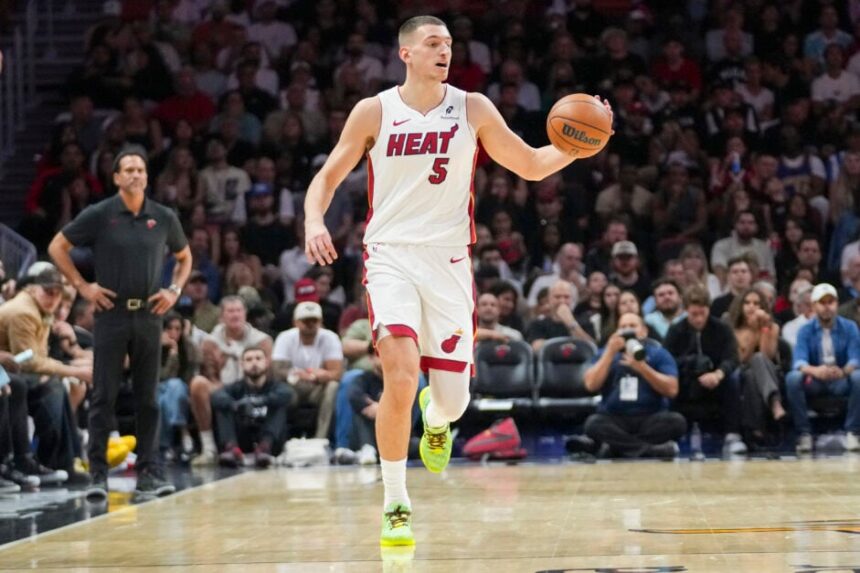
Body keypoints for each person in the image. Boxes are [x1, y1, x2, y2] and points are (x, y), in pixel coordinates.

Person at [302, 14, 613, 547]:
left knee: (453, 402)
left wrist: (580, 144)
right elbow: (329, 174)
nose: (444, 51)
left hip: (448, 263)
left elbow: (533, 165)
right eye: (432, 44)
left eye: (448, 44)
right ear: (406, 53)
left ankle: (437, 417)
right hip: (390, 257)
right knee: (400, 374)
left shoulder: (472, 107)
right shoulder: (374, 110)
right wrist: (313, 218)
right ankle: (396, 500)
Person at [48, 145, 193, 500]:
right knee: (103, 397)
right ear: (115, 177)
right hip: (110, 314)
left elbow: (184, 257)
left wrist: (173, 290)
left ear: (146, 175)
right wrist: (83, 286)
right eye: (127, 170)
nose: (135, 175)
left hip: (149, 314)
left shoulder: (163, 216)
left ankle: (150, 474)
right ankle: (97, 474)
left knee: (149, 399)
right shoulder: (100, 213)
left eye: (140, 170)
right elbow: (56, 247)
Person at [581, 312, 685, 459]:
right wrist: (610, 353)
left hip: (650, 417)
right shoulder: (605, 353)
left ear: (644, 331)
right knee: (592, 424)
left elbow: (672, 389)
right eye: (623, 327)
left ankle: (617, 449)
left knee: (677, 422)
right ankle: (650, 451)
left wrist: (643, 368)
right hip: (615, 418)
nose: (627, 330)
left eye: (632, 326)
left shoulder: (658, 353)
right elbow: (590, 385)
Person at [664, 284, 745, 455]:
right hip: (686, 380)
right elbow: (667, 361)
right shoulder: (675, 330)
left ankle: (732, 435)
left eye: (703, 313)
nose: (699, 319)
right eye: (694, 314)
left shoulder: (722, 329)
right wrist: (690, 363)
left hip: (716, 380)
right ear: (686, 310)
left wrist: (718, 374)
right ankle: (670, 435)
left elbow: (732, 358)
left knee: (734, 379)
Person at [192, 296, 272, 465]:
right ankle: (208, 448)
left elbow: (268, 374)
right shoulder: (210, 342)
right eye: (230, 311)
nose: (235, 315)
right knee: (198, 383)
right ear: (222, 316)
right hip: (224, 388)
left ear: (245, 314)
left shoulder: (262, 341)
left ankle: (267, 446)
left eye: (238, 311)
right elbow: (210, 376)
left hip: (253, 387)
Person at [786, 283, 860, 455]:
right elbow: (799, 362)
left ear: (837, 304)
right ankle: (804, 433)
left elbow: (855, 358)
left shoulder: (849, 327)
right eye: (822, 302)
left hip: (840, 379)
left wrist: (843, 371)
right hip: (816, 380)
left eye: (831, 302)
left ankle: (853, 432)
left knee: (858, 376)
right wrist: (816, 371)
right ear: (814, 306)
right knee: (792, 378)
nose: (827, 307)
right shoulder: (805, 330)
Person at [211, 346, 292, 468]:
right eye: (249, 360)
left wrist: (258, 401)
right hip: (243, 435)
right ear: (242, 364)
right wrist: (236, 405)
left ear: (267, 362)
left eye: (258, 358)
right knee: (223, 405)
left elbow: (287, 394)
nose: (254, 363)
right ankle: (231, 449)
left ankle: (264, 448)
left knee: (279, 405)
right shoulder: (236, 387)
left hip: (269, 437)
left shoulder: (276, 385)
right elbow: (216, 396)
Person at [271, 301, 343, 439]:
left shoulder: (330, 338)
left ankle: (321, 438)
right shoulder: (285, 337)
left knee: (333, 387)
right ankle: (280, 439)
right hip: (293, 386)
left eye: (314, 320)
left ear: (320, 321)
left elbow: (337, 373)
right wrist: (297, 374)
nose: (310, 324)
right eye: (305, 321)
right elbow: (277, 370)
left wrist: (319, 376)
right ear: (295, 322)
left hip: (317, 386)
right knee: (280, 390)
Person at [525, 280, 594, 351]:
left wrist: (570, 322)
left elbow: (590, 347)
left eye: (566, 297)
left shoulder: (584, 320)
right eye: (557, 297)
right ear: (549, 299)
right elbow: (536, 348)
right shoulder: (538, 324)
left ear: (572, 300)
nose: (562, 301)